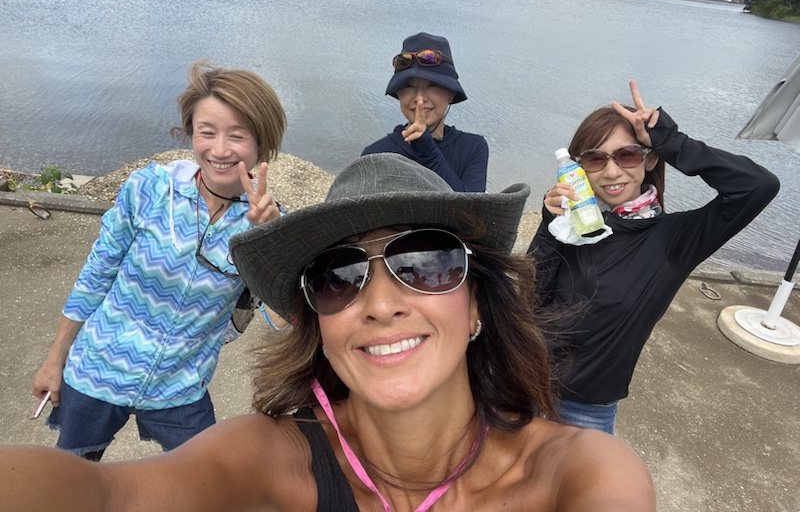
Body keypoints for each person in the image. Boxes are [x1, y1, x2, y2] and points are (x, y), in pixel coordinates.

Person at [2, 153, 655, 511]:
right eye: (338, 277)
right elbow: (107, 497)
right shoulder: (268, 458)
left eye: (425, 263)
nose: (380, 303)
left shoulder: (578, 475)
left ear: (478, 301)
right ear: (317, 323)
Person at [30, 60, 287, 460]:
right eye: (206, 132)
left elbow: (283, 319)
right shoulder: (148, 189)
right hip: (97, 370)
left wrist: (268, 241)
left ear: (262, 143)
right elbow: (96, 274)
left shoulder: (269, 222)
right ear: (190, 132)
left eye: (237, 136)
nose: (220, 150)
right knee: (73, 477)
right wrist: (54, 359)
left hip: (180, 388)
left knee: (205, 479)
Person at [527, 79, 780, 434]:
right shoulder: (571, 226)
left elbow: (757, 186)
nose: (611, 172)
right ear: (579, 166)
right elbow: (527, 300)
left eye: (627, 155)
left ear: (650, 158)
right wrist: (549, 226)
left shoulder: (674, 240)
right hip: (517, 385)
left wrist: (670, 139)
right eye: (596, 158)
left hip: (584, 412)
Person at [362, 32, 489, 192]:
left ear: (451, 93)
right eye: (408, 86)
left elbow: (471, 207)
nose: (419, 98)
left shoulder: (472, 148)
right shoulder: (374, 156)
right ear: (399, 93)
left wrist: (428, 152)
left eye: (433, 85)